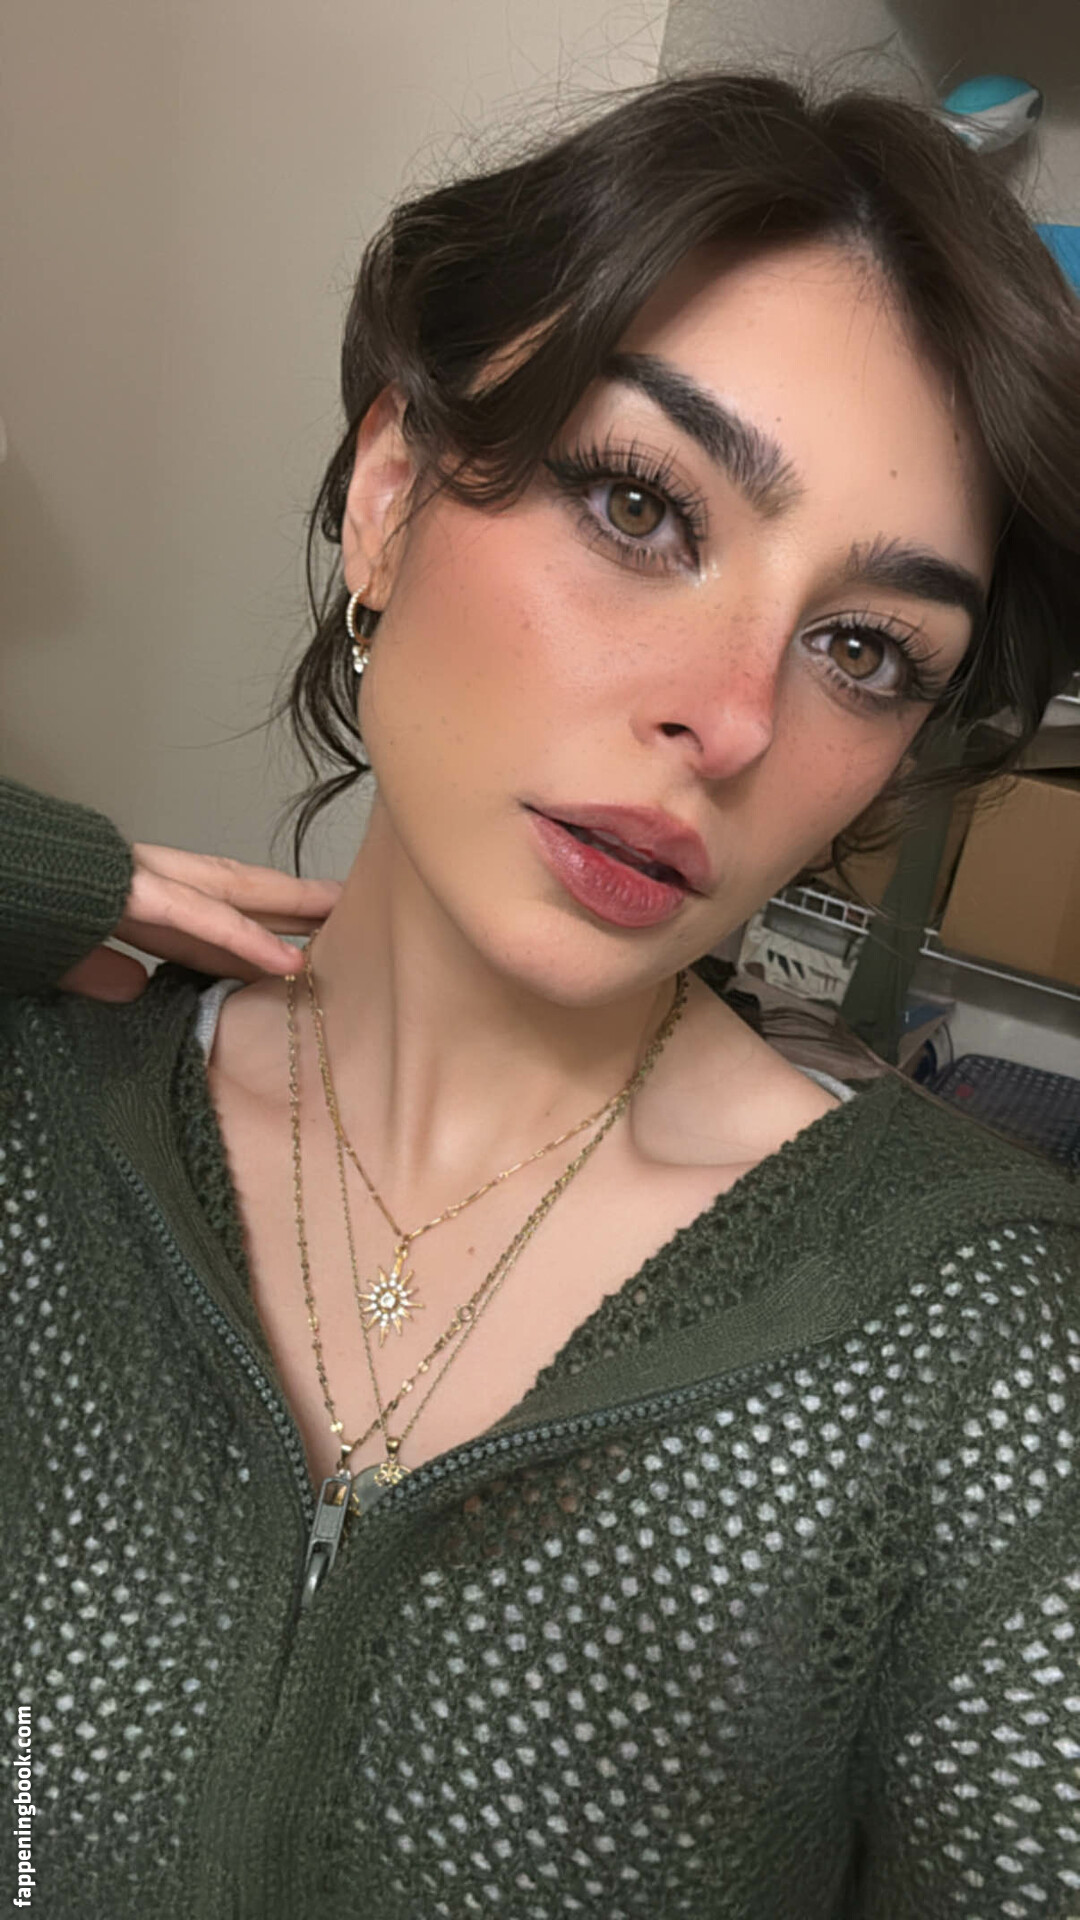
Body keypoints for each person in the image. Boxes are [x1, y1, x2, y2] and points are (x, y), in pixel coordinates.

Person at [2, 69, 1079, 1920]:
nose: (730, 720)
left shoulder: (978, 1351)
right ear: (392, 493)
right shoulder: (40, 1115)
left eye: (862, 648)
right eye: (644, 506)